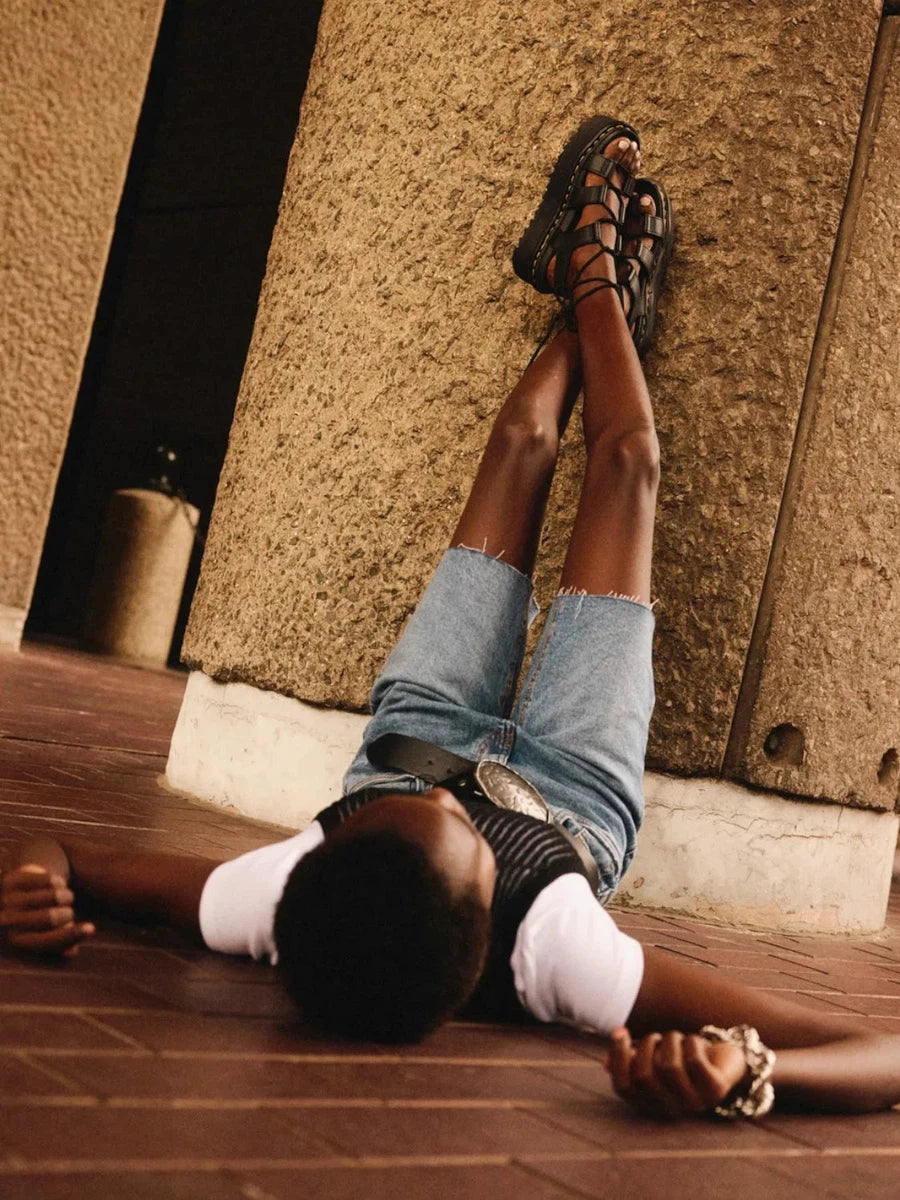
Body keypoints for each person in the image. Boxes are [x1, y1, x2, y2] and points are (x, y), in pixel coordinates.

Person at [2, 117, 899, 1121]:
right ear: (490, 925)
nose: (455, 797)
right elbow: (882, 1054)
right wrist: (750, 1072)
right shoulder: (560, 955)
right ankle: (597, 291)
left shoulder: (270, 897)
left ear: (321, 855)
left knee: (520, 446)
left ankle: (587, 301)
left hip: (415, 732)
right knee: (630, 465)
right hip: (571, 793)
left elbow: (66, 857)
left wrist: (34, 879)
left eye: (405, 809)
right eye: (461, 829)